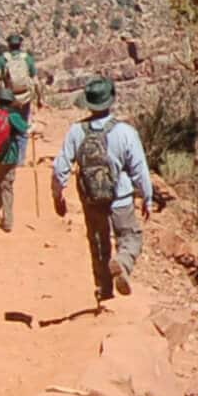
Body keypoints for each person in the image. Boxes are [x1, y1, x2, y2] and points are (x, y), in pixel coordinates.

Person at [53, 79, 154, 304]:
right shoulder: (125, 132)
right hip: (120, 199)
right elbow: (140, 169)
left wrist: (58, 194)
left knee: (98, 245)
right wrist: (147, 198)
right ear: (111, 101)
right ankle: (124, 262)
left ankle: (104, 292)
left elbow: (61, 167)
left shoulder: (76, 132)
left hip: (91, 201)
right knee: (130, 237)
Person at [0, 83, 28, 232]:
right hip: (9, 157)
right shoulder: (13, 116)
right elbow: (25, 130)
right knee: (7, 186)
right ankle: (8, 221)